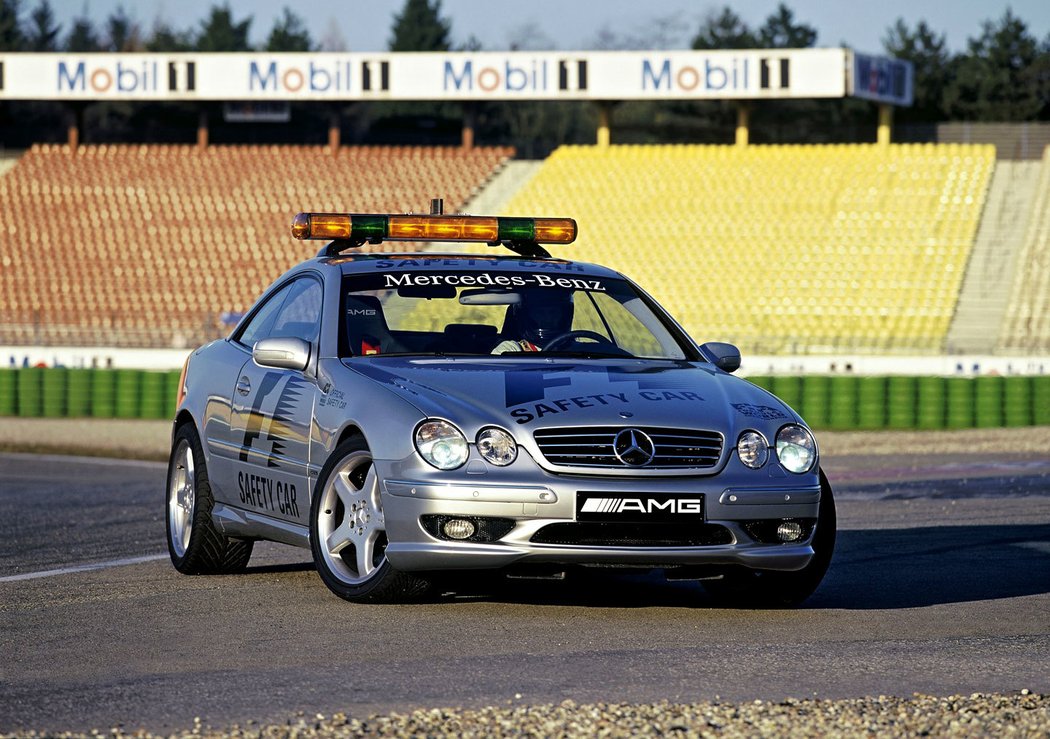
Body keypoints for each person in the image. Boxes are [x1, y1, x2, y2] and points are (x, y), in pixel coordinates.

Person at [492, 288, 574, 354]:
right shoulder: (510, 349)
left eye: (553, 312)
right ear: (527, 316)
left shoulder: (579, 350)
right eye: (540, 313)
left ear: (564, 315)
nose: (547, 318)